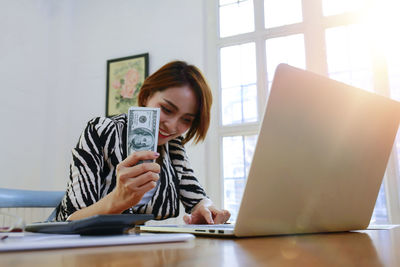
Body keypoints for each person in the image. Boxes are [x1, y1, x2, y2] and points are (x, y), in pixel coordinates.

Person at [55, 61, 231, 224]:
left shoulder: (174, 146)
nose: (172, 126)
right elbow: (71, 218)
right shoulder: (101, 130)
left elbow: (196, 196)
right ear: (146, 96)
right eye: (167, 109)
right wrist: (118, 199)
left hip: (138, 247)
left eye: (186, 120)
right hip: (83, 247)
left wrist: (206, 208)